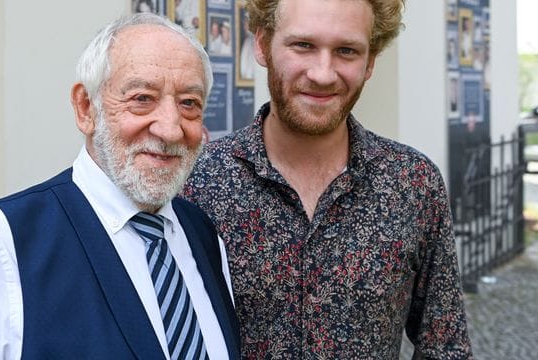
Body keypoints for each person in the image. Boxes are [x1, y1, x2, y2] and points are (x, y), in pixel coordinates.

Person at [0, 13, 240, 360]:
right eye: (142, 98)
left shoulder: (203, 238)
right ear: (86, 108)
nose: (170, 129)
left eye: (188, 104)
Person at [182, 0, 473, 358]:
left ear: (370, 62)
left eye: (346, 50)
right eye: (303, 45)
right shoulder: (197, 181)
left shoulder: (412, 184)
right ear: (261, 44)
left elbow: (444, 344)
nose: (323, 73)